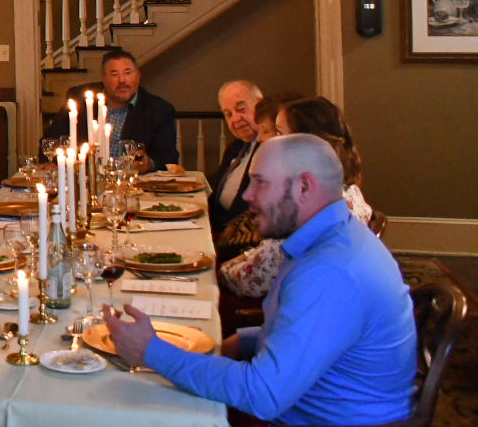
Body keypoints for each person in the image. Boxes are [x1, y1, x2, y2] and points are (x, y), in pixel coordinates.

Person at [103, 134, 416, 426]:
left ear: (304, 187)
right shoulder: (334, 236)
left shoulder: (331, 272)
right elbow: (314, 331)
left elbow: (262, 394)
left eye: (260, 183)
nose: (248, 195)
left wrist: (150, 351)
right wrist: (246, 339)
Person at [219, 97, 374, 299]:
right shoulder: (345, 187)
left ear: (307, 142)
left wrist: (220, 270)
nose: (269, 140)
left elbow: (252, 282)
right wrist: (247, 257)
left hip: (281, 304)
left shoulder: (306, 205)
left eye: (280, 133)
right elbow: (272, 257)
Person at [40, 50, 179, 171]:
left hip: (132, 186)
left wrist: (149, 163)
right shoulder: (81, 99)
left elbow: (169, 157)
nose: (122, 80)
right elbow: (50, 141)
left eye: (127, 73)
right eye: (114, 74)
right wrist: (55, 162)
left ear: (137, 76)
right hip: (84, 182)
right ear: (103, 78)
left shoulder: (158, 109)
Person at [208, 81, 264, 234]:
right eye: (228, 114)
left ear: (260, 105)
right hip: (214, 227)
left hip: (237, 238)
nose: (235, 119)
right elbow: (216, 185)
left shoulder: (268, 150)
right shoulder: (237, 146)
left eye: (241, 109)